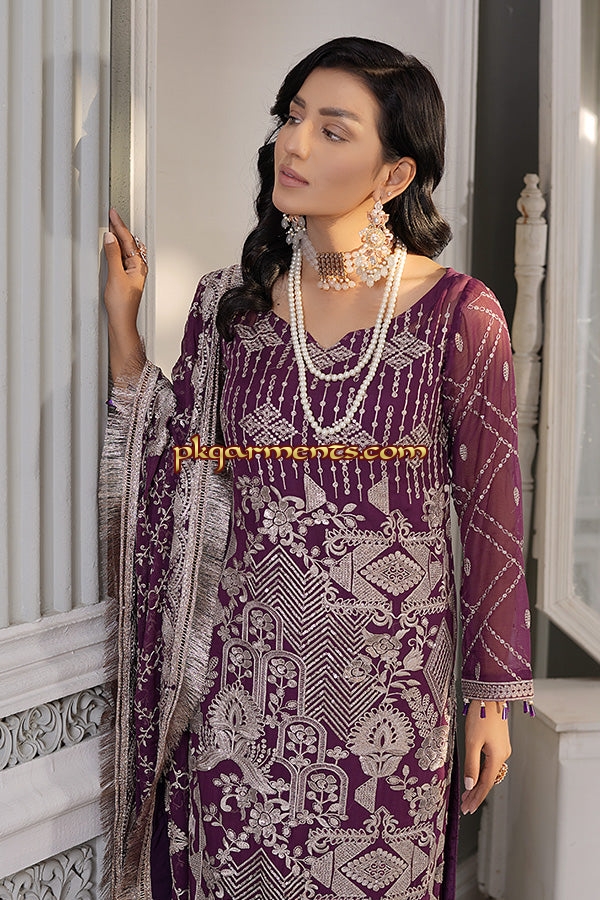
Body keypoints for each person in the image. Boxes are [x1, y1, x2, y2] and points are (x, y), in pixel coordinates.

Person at [100, 36, 533, 900]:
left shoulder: (458, 314)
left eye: (332, 130)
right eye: (292, 118)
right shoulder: (230, 307)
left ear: (395, 175)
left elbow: (491, 512)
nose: (293, 145)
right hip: (241, 696)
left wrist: (489, 698)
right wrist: (124, 330)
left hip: (388, 708)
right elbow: (176, 470)